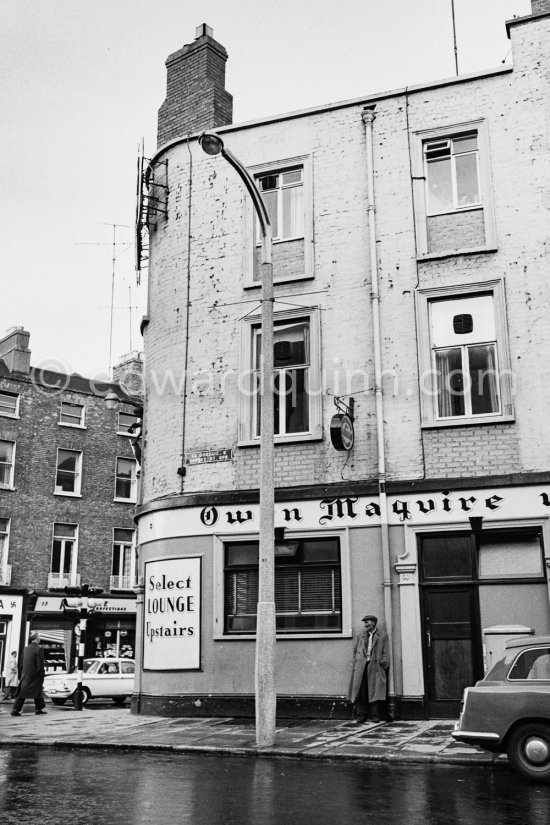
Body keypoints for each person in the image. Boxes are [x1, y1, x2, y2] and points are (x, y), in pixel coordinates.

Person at [348, 614, 389, 724]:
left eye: (367, 622)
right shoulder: (360, 635)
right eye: (365, 622)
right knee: (361, 691)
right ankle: (361, 715)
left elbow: (385, 651)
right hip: (362, 666)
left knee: (375, 691)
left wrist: (383, 663)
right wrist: (356, 662)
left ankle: (375, 715)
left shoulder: (383, 635)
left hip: (375, 667)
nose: (365, 624)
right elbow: (355, 650)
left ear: (374, 623)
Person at [11, 631, 47, 717]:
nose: (40, 638)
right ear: (36, 638)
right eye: (39, 637)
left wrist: (22, 674)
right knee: (37, 691)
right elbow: (40, 665)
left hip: (26, 674)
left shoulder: (25, 648)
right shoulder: (39, 649)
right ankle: (39, 709)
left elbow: (22, 663)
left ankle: (16, 709)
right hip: (35, 675)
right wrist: (42, 675)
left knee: (22, 693)